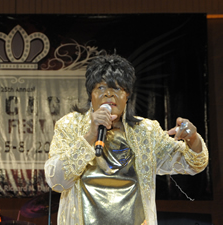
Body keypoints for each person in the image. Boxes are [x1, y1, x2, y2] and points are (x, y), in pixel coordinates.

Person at [44, 51, 209, 225]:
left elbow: (194, 163)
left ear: (127, 95)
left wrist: (193, 139)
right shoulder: (69, 125)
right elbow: (56, 181)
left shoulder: (146, 131)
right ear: (90, 94)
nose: (109, 94)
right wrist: (90, 136)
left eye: (117, 88)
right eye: (100, 88)